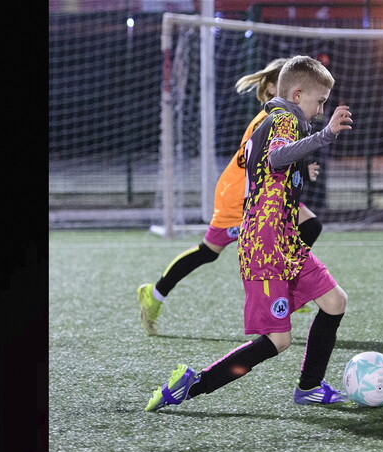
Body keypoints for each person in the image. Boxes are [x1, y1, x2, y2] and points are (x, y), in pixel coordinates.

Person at [145, 55, 353, 411]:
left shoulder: (280, 118)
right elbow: (275, 158)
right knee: (277, 339)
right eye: (319, 101)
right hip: (267, 244)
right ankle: (193, 385)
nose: (321, 109)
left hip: (284, 238)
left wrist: (304, 169)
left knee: (335, 302)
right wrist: (326, 134)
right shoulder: (284, 118)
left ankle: (310, 387)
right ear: (299, 93)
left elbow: (277, 167)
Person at [137, 58, 324, 336]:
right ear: (275, 87)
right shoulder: (270, 118)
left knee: (309, 226)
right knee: (208, 253)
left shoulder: (286, 117)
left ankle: (287, 288)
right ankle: (154, 293)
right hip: (241, 197)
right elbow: (265, 156)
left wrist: (299, 165)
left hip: (268, 195)